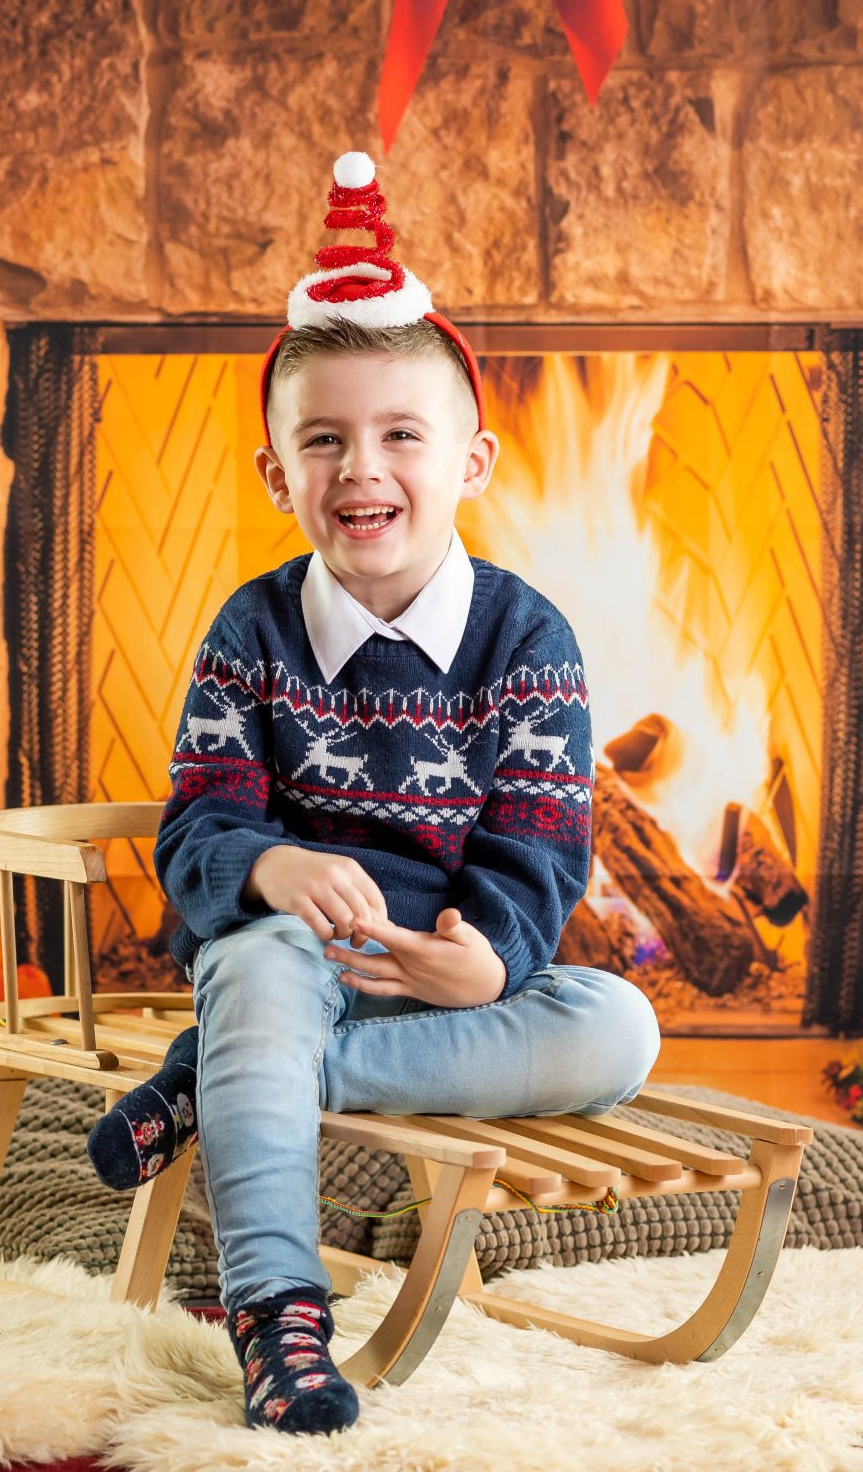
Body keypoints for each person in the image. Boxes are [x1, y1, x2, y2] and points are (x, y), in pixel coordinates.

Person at [85, 151, 660, 1435]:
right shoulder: (252, 630)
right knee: (257, 980)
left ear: (471, 460)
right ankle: (277, 1316)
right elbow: (195, 824)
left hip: (428, 978)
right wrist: (266, 870)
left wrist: (493, 962)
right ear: (276, 476)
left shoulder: (529, 641)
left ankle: (231, 1080)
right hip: (290, 953)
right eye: (325, 441)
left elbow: (540, 845)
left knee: (618, 1031)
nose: (365, 468)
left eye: (402, 433)